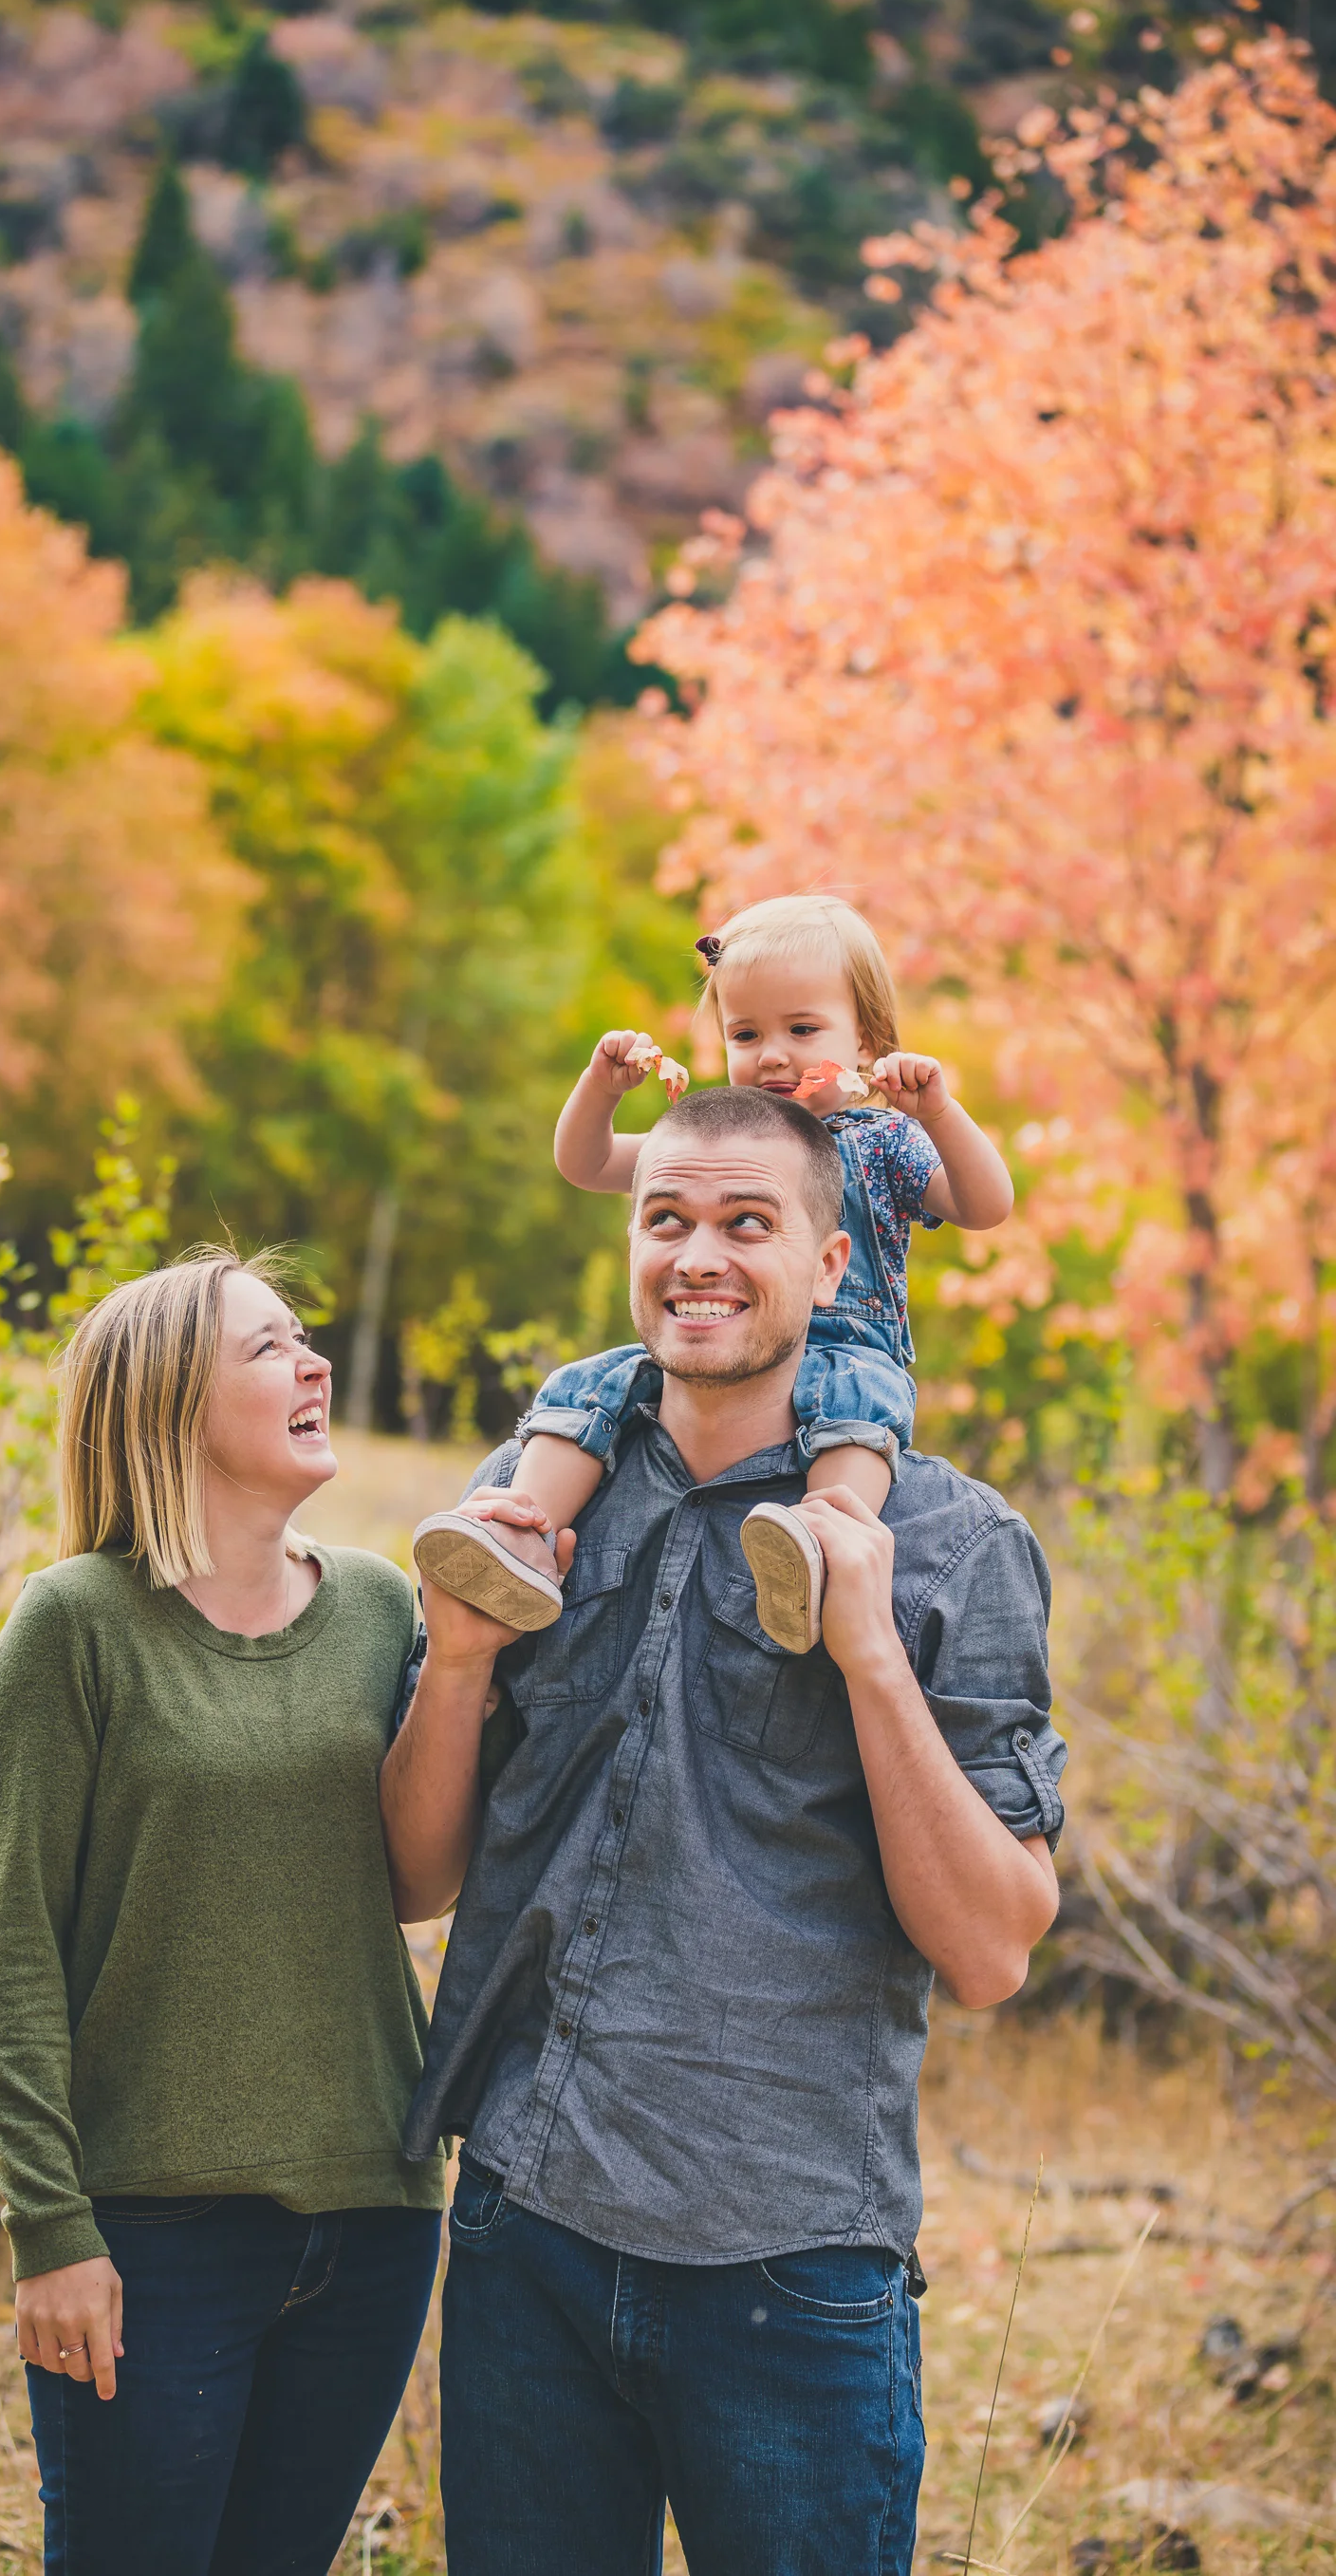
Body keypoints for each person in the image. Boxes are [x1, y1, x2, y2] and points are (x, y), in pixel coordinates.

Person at [382, 1084, 1067, 2576]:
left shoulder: (952, 1544)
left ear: (834, 1265)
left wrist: (870, 1652)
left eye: (747, 1223)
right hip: (526, 2228)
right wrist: (453, 1660)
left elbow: (996, 1947)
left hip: (790, 2265)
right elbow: (414, 1877)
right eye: (667, 1218)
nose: (698, 1255)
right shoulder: (528, 1510)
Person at [0, 1248, 443, 2576]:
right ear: (171, 1403)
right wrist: (50, 2232)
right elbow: (13, 1960)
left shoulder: (379, 1606)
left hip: (372, 2214)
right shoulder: (72, 1627)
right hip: (149, 2233)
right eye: (268, 1347)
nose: (314, 1363)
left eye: (306, 1337)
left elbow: (419, 1880)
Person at [413, 893, 1014, 1653]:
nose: (771, 1054)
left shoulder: (884, 1138)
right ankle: (520, 1537)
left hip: (847, 1349)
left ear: (866, 1040)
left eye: (802, 1030)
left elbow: (984, 1206)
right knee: (591, 1386)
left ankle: (821, 1558)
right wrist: (601, 1089)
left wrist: (938, 1113)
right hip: (710, 1343)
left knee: (855, 1409)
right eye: (745, 1032)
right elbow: (587, 1162)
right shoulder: (718, 1137)